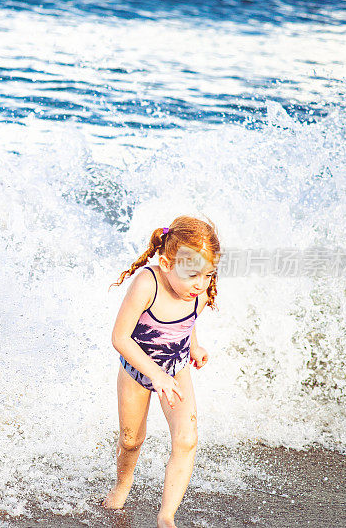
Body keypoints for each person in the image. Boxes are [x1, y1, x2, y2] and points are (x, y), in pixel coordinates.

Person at [101, 215, 220, 528]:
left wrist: (194, 346)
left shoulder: (199, 289)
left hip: (176, 369)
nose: (201, 283)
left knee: (187, 439)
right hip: (138, 370)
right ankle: (122, 486)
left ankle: (166, 515)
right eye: (193, 274)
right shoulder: (147, 283)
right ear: (167, 263)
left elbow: (187, 320)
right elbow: (120, 338)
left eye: (208, 274)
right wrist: (155, 374)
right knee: (131, 439)